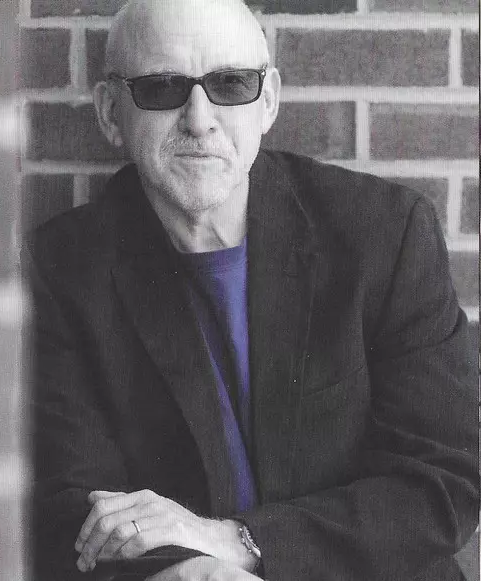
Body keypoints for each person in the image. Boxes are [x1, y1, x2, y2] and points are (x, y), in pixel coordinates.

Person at [24, 1, 479, 580]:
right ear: (112, 113)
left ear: (268, 103)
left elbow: (444, 482)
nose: (199, 120)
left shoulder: (383, 234)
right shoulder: (61, 273)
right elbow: (75, 510)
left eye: (231, 85)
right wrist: (196, 571)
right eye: (163, 88)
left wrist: (239, 542)